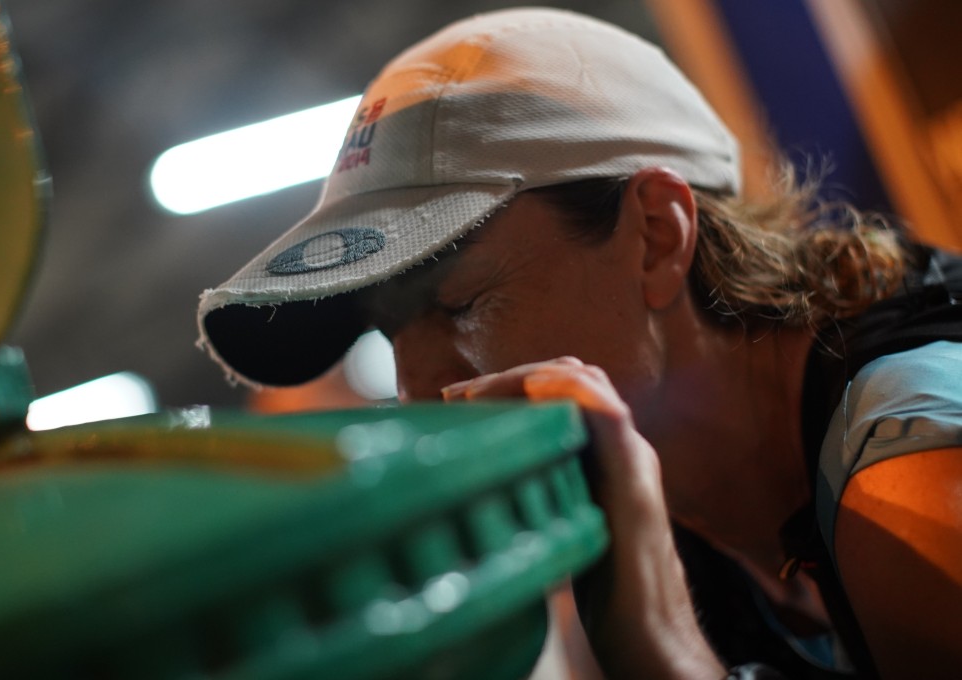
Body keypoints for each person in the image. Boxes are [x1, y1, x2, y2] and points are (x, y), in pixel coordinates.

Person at [197, 7, 962, 679]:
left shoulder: (914, 467)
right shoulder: (653, 515)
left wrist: (661, 649)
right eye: (388, 331)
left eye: (460, 302)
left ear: (657, 237)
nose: (415, 389)